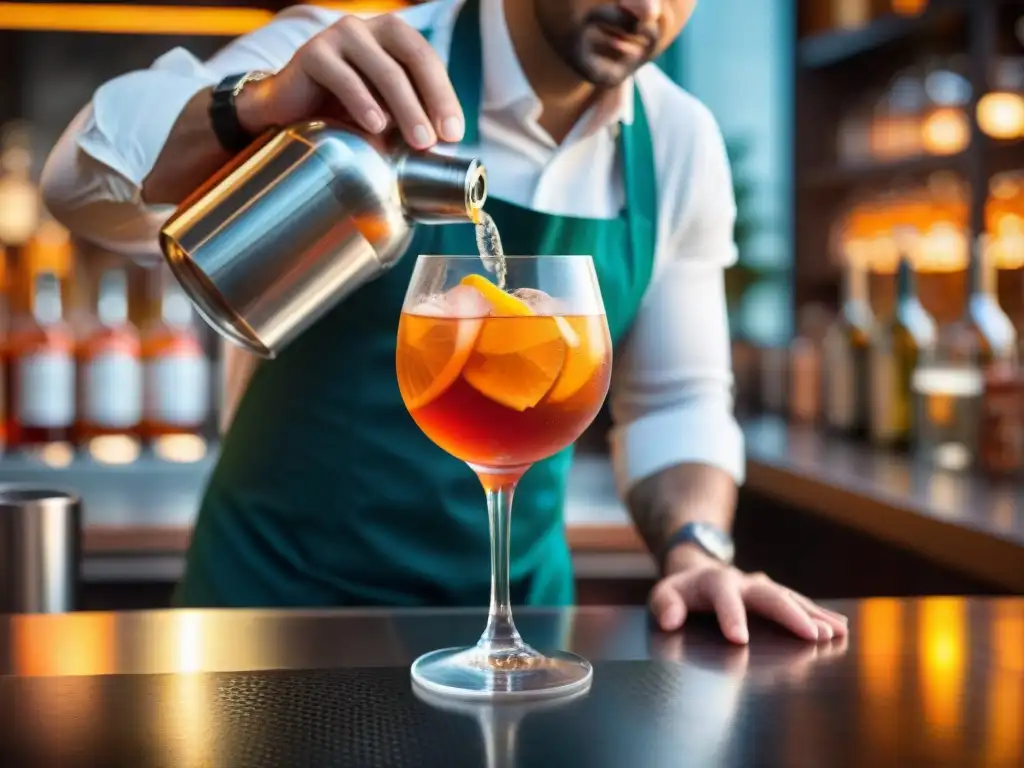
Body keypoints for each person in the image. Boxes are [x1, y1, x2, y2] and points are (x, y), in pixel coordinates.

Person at [42, 0, 848, 644]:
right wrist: (254, 109)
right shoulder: (350, 60)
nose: (645, 5)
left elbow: (677, 401)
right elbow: (77, 185)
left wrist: (698, 551)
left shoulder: (678, 141)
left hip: (520, 635)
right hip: (270, 620)